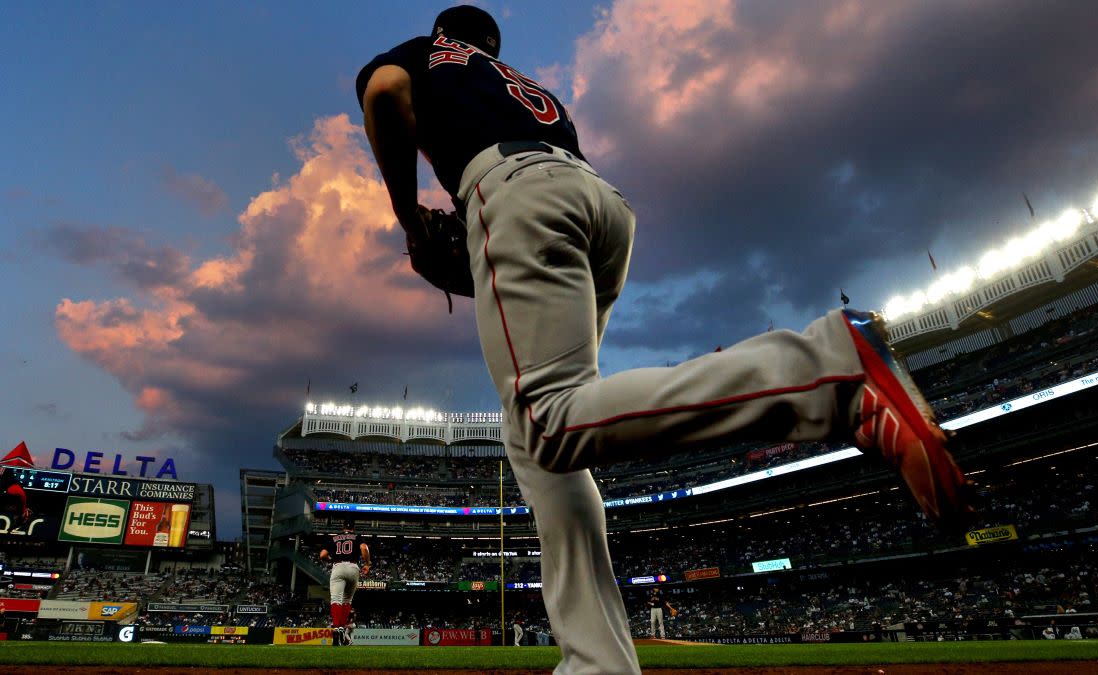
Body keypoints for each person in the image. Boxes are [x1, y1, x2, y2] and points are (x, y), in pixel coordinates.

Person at [356, 6, 972, 673]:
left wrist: (413, 223)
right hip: (598, 206)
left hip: (513, 192)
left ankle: (830, 370)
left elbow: (385, 94)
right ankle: (600, 663)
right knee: (540, 446)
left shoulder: (429, 52)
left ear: (447, 32)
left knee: (549, 420)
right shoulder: (520, 87)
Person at [319, 520, 370, 646]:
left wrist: (330, 559)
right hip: (353, 567)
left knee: (336, 600)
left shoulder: (334, 538)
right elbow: (364, 548)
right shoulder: (357, 537)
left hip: (338, 566)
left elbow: (322, 555)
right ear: (354, 527)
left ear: (343, 527)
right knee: (347, 600)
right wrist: (367, 564)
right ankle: (342, 628)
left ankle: (336, 628)